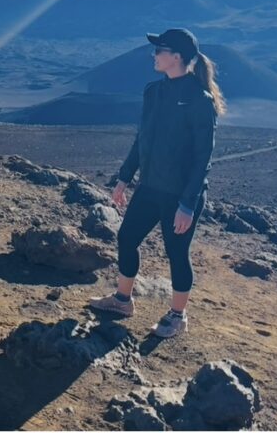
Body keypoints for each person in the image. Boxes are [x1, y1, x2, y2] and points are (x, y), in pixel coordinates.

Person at [88, 27, 226, 338]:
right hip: (150, 187)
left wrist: (188, 204)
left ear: (177, 57)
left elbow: (203, 156)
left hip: (180, 195)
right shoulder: (154, 92)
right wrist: (124, 179)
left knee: (176, 253)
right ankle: (123, 300)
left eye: (160, 50)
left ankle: (178, 316)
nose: (154, 55)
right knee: (126, 238)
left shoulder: (199, 100)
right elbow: (142, 141)